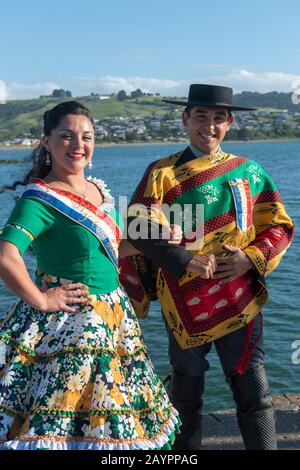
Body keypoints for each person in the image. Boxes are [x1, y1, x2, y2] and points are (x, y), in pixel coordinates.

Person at [119, 84, 294, 450]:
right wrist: (185, 259)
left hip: (239, 297)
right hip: (182, 304)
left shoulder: (249, 172)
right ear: (185, 119)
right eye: (200, 116)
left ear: (229, 123)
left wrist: (251, 257)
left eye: (218, 118)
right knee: (186, 391)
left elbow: (278, 225)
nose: (209, 125)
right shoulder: (161, 174)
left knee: (254, 391)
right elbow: (137, 230)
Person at [0, 100, 181, 450]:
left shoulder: (97, 190)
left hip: (115, 317)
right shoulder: (39, 199)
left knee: (109, 423)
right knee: (70, 425)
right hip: (72, 322)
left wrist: (155, 239)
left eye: (87, 136)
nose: (78, 145)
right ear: (47, 141)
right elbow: (7, 255)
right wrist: (40, 298)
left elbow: (112, 247)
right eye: (66, 136)